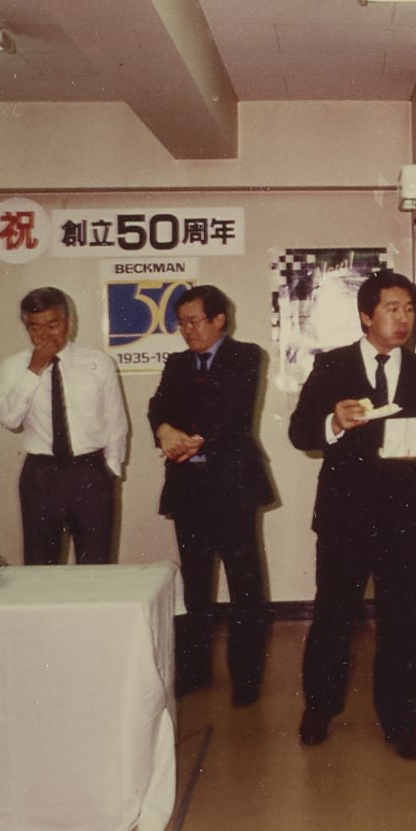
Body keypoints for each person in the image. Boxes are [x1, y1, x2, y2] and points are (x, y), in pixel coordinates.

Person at [286, 267, 416, 755]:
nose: (403, 319)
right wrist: (333, 423)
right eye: (392, 308)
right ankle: (319, 708)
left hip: (404, 515)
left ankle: (400, 720)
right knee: (334, 615)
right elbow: (300, 432)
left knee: (403, 619)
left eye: (410, 309)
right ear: (365, 315)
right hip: (345, 514)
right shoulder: (332, 365)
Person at [147, 282, 276, 703]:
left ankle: (247, 678)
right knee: (195, 584)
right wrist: (165, 430)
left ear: (219, 319)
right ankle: (195, 670)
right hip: (189, 488)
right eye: (181, 323)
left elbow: (231, 412)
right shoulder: (177, 363)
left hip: (233, 486)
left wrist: (191, 440)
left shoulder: (246, 355)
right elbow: (158, 406)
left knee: (244, 585)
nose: (187, 330)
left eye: (194, 321)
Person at [0, 284, 129, 566]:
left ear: (69, 322)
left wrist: (110, 471)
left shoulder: (98, 362)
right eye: (34, 328)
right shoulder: (13, 366)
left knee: (97, 565)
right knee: (41, 565)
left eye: (52, 325)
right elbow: (8, 419)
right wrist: (34, 369)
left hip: (91, 473)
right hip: (41, 475)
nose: (44, 335)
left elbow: (115, 421)